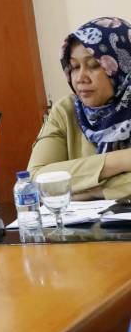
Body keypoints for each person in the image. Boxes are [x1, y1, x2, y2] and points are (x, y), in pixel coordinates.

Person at [27, 17, 131, 200]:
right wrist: (123, 159)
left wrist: (97, 192)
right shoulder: (66, 110)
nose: (80, 78)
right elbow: (36, 178)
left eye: (94, 65)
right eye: (74, 66)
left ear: (123, 66)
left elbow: (51, 183)